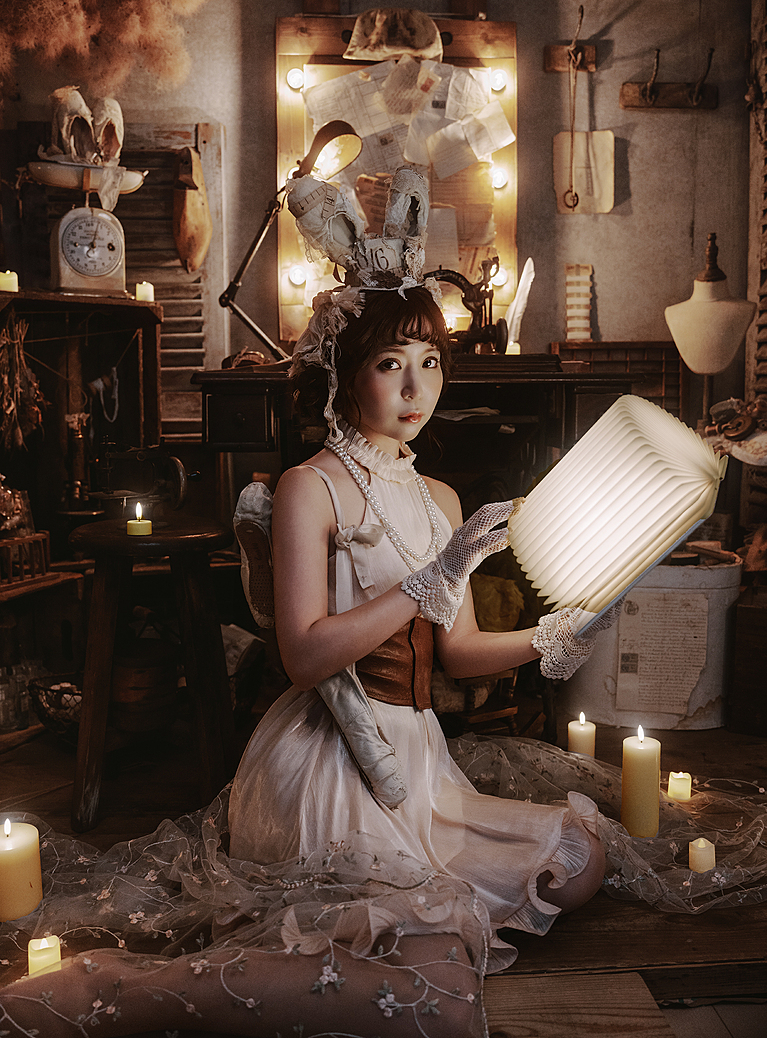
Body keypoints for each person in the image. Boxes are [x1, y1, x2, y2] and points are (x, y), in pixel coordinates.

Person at [0, 170, 614, 1037]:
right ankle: (135, 992)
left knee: (581, 860)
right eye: (390, 365)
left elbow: (456, 650)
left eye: (430, 364)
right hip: (329, 761)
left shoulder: (439, 498)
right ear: (344, 374)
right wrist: (424, 582)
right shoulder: (308, 487)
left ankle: (403, 946)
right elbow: (304, 654)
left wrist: (544, 639)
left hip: (419, 761)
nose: (416, 390)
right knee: (428, 956)